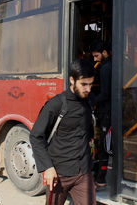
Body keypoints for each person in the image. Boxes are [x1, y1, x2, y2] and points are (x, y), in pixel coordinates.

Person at [30, 59, 96, 205]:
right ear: (72, 80)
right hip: (59, 173)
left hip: (83, 172)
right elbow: (36, 136)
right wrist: (47, 168)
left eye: (91, 84)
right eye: (84, 84)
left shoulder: (88, 101)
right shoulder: (56, 105)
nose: (88, 89)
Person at [89, 40, 112, 187]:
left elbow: (104, 94)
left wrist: (92, 100)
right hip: (111, 110)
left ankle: (101, 178)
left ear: (104, 53)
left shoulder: (104, 69)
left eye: (96, 55)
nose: (94, 59)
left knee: (103, 146)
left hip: (106, 112)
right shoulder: (114, 65)